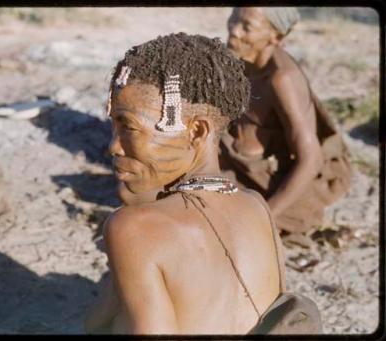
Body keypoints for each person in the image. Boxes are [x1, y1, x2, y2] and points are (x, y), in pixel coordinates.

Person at [84, 33, 286, 334]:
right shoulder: (257, 206)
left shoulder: (133, 228)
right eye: (113, 126)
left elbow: (96, 324)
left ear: (196, 131)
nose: (114, 147)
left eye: (129, 128)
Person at [220, 7, 352, 234]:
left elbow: (311, 160)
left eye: (246, 26)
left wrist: (264, 215)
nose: (234, 30)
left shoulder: (282, 80)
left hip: (272, 181)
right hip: (237, 162)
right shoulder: (240, 58)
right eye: (234, 19)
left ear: (276, 36)